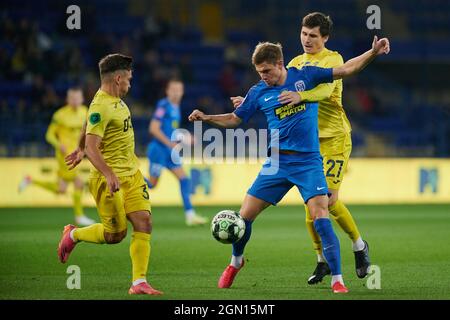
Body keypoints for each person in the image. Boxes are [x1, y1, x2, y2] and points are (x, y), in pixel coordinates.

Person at [188, 37, 389, 293]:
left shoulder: (306, 76)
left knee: (321, 215)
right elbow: (234, 119)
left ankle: (338, 278)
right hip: (277, 163)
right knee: (245, 216)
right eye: (259, 72)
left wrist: (372, 52)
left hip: (307, 162)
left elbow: (347, 69)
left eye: (267, 71)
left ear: (280, 64)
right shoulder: (259, 91)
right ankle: (235, 263)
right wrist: (206, 117)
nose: (264, 77)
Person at [231, 12, 372, 284]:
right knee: (312, 208)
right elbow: (270, 91)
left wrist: (300, 95)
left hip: (333, 137)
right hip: (306, 143)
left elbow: (325, 93)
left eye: (313, 35)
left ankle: (358, 245)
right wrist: (250, 101)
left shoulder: (332, 59)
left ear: (325, 38)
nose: (306, 39)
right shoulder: (295, 63)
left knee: (328, 201)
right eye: (304, 34)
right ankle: (322, 261)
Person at [58, 54, 163, 295]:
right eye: (128, 79)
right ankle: (73, 234)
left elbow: (87, 127)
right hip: (108, 180)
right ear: (118, 78)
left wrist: (79, 146)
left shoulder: (110, 100)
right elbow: (93, 147)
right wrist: (106, 171)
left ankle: (139, 283)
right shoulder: (101, 105)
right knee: (115, 235)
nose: (130, 83)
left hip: (132, 175)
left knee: (144, 222)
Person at [18, 87, 95, 226]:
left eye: (78, 98)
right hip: (65, 155)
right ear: (67, 99)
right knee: (78, 183)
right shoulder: (60, 115)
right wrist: (59, 144)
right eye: (72, 98)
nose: (75, 101)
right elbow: (49, 135)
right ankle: (79, 216)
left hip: (77, 154)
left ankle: (31, 180)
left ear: (82, 99)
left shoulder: (85, 112)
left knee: (61, 189)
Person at [146, 79, 207, 226]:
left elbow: (170, 130)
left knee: (184, 179)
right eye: (173, 89)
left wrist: (184, 137)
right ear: (167, 91)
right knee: (152, 184)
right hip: (159, 150)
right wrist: (170, 143)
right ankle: (128, 179)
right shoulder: (163, 105)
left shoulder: (176, 107)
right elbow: (153, 129)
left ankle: (190, 215)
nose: (176, 92)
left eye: (179, 89)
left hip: (169, 151)